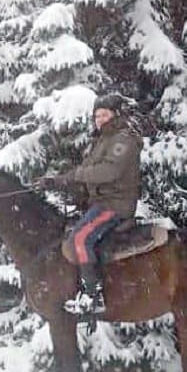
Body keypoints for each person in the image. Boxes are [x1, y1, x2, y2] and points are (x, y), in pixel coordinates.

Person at [35, 94, 141, 315]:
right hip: (100, 203)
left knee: (81, 238)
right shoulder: (102, 140)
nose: (99, 119)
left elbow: (108, 171)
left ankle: (94, 295)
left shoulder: (123, 140)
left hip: (115, 205)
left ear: (116, 114)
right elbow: (87, 174)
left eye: (104, 114)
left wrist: (75, 177)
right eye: (96, 115)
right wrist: (57, 182)